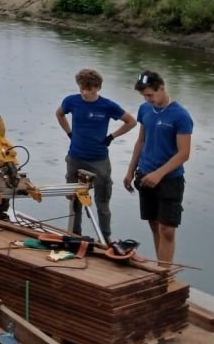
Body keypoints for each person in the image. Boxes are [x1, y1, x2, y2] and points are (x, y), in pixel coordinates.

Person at [124, 70, 193, 267]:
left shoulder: (180, 115)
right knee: (154, 224)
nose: (147, 99)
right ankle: (160, 267)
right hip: (145, 174)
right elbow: (141, 141)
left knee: (167, 229)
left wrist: (159, 173)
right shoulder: (145, 109)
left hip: (170, 179)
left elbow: (184, 153)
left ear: (161, 88)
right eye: (144, 95)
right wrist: (130, 171)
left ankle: (164, 273)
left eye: (150, 95)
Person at [56, 68, 136, 239]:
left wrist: (112, 137)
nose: (84, 92)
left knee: (102, 202)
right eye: (81, 88)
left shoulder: (107, 106)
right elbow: (60, 113)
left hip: (99, 159)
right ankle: (75, 235)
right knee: (74, 199)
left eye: (89, 88)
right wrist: (69, 133)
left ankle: (105, 238)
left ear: (98, 87)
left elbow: (131, 121)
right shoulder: (71, 101)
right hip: (75, 157)